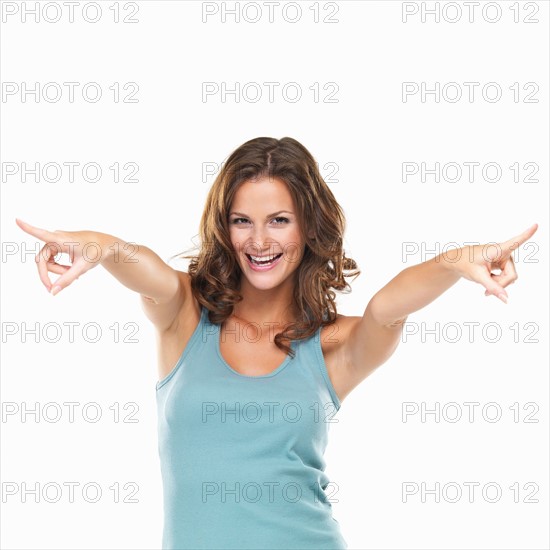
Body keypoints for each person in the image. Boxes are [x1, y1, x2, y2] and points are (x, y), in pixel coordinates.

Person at [16, 136, 538, 550]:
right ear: (225, 229)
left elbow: (387, 307)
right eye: (242, 221)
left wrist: (453, 263)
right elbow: (141, 262)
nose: (259, 242)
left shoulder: (333, 344)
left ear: (307, 227)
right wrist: (97, 248)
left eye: (279, 221)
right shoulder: (184, 314)